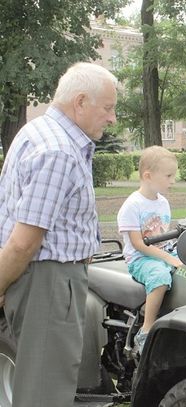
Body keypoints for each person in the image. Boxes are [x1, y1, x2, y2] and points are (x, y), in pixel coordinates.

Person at [0, 62, 117, 406]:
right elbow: (24, 242)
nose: (112, 118)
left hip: (42, 279)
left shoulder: (37, 132)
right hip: (49, 282)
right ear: (80, 102)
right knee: (46, 393)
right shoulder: (59, 152)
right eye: (108, 108)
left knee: (37, 381)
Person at [117, 146, 182, 351]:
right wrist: (168, 259)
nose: (173, 181)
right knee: (160, 275)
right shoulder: (132, 205)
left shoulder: (162, 202)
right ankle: (146, 330)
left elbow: (164, 237)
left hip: (162, 252)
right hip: (140, 258)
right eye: (169, 175)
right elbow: (138, 244)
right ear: (148, 175)